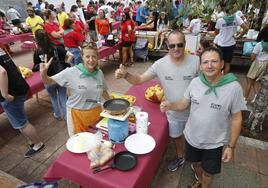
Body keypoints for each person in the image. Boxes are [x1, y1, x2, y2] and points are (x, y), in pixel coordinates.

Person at [160, 47, 247, 188]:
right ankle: (200, 181)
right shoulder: (195, 82)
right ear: (200, 66)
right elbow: (183, 103)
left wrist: (231, 146)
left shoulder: (233, 88)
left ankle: (204, 184)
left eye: (214, 61)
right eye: (205, 62)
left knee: (209, 172)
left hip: (214, 142)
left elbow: (237, 118)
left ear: (222, 64)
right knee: (196, 164)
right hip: (192, 137)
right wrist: (170, 105)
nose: (210, 65)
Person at [115, 30, 200, 172]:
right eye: (172, 46)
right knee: (177, 136)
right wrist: (126, 75)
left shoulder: (196, 61)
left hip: (196, 111)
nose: (176, 48)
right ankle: (180, 157)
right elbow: (140, 79)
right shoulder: (160, 64)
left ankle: (196, 160)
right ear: (167, 45)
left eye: (180, 45)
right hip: (173, 112)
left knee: (195, 138)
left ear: (185, 44)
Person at [40, 42, 110, 136]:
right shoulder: (71, 72)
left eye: (94, 56)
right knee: (79, 143)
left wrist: (113, 105)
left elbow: (103, 91)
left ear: (97, 57)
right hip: (77, 115)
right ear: (82, 57)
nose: (91, 60)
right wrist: (43, 73)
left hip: (95, 112)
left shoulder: (99, 73)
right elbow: (49, 81)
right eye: (87, 56)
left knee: (97, 141)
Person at [0, 49, 45, 158]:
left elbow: (2, 72)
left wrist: (5, 94)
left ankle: (38, 143)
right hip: (18, 87)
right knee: (21, 119)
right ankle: (32, 141)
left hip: (11, 93)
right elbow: (12, 66)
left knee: (21, 123)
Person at [34, 29, 73, 120]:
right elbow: (71, 55)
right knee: (63, 97)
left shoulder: (37, 52)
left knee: (53, 97)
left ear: (37, 39)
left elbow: (36, 67)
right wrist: (66, 64)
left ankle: (58, 115)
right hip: (60, 77)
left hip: (47, 78)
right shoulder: (57, 47)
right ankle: (68, 117)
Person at [214, 6, 248, 73]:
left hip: (221, 44)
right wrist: (238, 36)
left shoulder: (220, 20)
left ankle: (218, 79)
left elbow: (216, 33)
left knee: (219, 63)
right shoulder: (236, 18)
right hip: (230, 44)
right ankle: (225, 80)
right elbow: (246, 28)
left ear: (224, 10)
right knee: (227, 64)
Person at [245, 26, 268, 103]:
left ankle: (245, 99)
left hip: (257, 63)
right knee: (256, 81)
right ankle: (256, 96)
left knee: (249, 81)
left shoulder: (259, 45)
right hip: (265, 64)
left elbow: (252, 58)